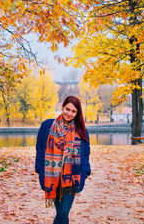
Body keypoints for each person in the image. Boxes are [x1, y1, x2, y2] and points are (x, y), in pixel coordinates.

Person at [35, 95, 91, 224]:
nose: (69, 113)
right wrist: (39, 168)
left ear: (77, 114)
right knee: (61, 214)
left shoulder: (82, 131)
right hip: (52, 176)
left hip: (71, 177)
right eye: (67, 109)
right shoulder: (47, 125)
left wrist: (86, 170)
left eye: (73, 111)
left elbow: (86, 153)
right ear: (62, 107)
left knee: (63, 212)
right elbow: (40, 147)